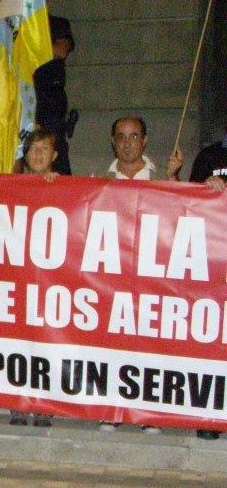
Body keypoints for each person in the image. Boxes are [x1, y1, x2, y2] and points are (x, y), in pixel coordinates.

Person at [96, 116, 182, 433]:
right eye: (121, 137)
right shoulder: (97, 182)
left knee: (150, 345)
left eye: (134, 137)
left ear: (145, 141)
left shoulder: (163, 177)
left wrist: (176, 177)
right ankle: (112, 409)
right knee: (111, 344)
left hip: (151, 277)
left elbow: (182, 212)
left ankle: (148, 412)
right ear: (113, 141)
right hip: (113, 278)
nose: (128, 143)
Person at [7, 128, 60, 427]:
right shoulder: (10, 187)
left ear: (54, 155)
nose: (38, 153)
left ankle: (44, 404)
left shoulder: (67, 188)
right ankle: (17, 402)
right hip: (19, 280)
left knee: (48, 343)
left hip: (53, 283)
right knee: (18, 344)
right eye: (32, 148)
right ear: (24, 156)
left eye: (44, 148)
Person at [187, 123, 227, 440]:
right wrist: (205, 188)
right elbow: (184, 203)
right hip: (212, 264)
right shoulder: (208, 155)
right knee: (212, 343)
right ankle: (209, 418)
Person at [33, 15, 76, 175]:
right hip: (47, 131)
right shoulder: (45, 69)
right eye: (64, 43)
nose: (67, 49)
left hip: (55, 129)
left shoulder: (55, 66)